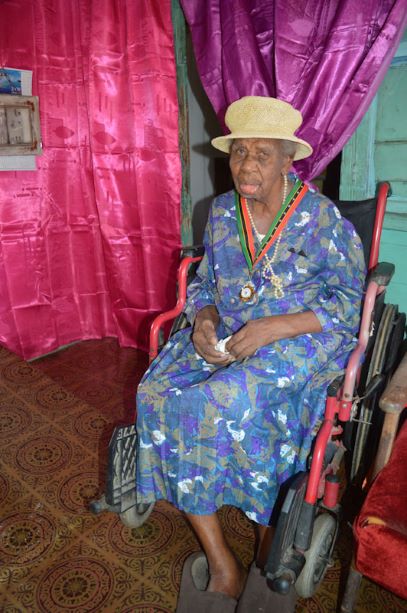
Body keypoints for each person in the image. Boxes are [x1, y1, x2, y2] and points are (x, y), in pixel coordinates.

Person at [135, 96, 365, 611]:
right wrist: (204, 320)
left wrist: (273, 327)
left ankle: (268, 544)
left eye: (263, 154)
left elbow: (352, 304)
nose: (247, 165)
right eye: (239, 152)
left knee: (227, 401)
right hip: (229, 331)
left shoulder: (321, 219)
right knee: (154, 393)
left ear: (288, 160)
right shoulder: (220, 212)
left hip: (300, 336)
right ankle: (223, 563)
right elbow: (204, 285)